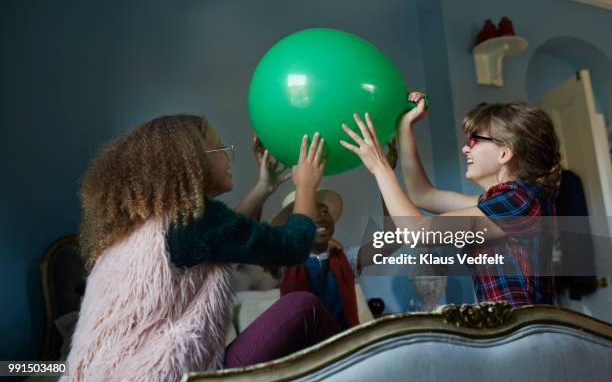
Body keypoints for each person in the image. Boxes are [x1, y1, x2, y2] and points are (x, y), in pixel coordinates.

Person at [63, 115, 341, 381]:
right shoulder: (192, 223)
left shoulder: (139, 228)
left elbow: (220, 239)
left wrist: (264, 186)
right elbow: (293, 246)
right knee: (304, 306)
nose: (229, 155)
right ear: (193, 161)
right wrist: (305, 187)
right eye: (220, 148)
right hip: (163, 376)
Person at [340, 93, 561, 306]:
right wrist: (405, 126)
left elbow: (418, 232)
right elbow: (422, 194)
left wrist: (380, 167)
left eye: (474, 140)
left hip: (522, 334)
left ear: (504, 153)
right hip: (513, 332)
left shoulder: (519, 202)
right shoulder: (509, 201)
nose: (466, 148)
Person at [271, 189, 359, 330]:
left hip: (347, 345)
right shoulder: (283, 264)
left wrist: (384, 179)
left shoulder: (346, 258)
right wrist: (263, 188)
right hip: (306, 349)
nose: (320, 218)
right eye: (309, 215)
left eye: (324, 211)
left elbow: (390, 241)